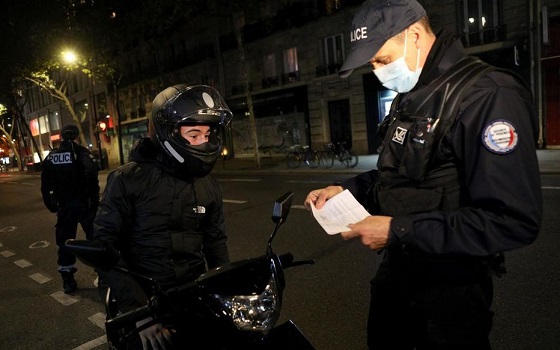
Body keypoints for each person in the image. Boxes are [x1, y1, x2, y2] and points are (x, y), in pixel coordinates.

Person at [305, 0, 542, 349]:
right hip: (398, 280)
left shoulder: (486, 95)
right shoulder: (412, 94)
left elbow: (512, 219)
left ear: (414, 36)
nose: (376, 70)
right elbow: (401, 176)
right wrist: (346, 190)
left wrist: (395, 229)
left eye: (382, 59)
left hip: (448, 299)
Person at [93, 84, 232, 349]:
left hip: (192, 297)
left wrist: (224, 290)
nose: (203, 141)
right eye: (193, 134)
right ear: (168, 133)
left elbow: (216, 243)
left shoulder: (209, 185)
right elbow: (105, 248)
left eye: (207, 133)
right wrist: (138, 313)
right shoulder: (126, 180)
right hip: (141, 304)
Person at [41, 124, 100, 294]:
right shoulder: (81, 152)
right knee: (94, 239)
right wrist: (93, 199)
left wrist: (50, 204)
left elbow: (45, 183)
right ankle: (103, 275)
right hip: (84, 204)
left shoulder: (52, 157)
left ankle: (68, 280)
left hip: (65, 206)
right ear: (76, 136)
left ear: (61, 137)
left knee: (65, 242)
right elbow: (91, 170)